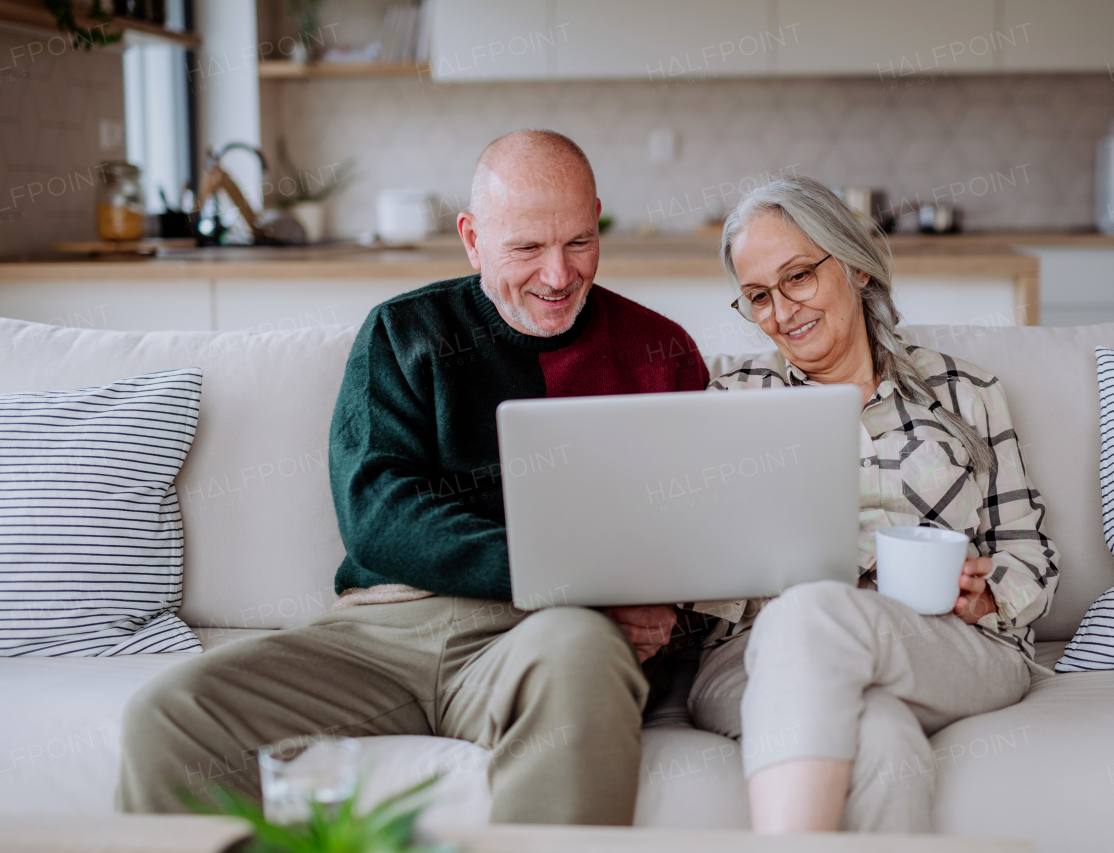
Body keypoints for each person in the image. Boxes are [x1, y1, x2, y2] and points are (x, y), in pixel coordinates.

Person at [117, 130, 709, 825]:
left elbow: (694, 532)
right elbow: (378, 513)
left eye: (579, 241)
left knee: (582, 654)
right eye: (526, 248)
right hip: (385, 632)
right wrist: (566, 571)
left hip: (554, 634)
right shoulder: (403, 332)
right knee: (167, 715)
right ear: (472, 237)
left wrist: (654, 612)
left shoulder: (658, 350)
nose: (558, 274)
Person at [685, 176, 1058, 833]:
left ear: (854, 264)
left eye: (797, 276)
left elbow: (1030, 552)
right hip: (753, 654)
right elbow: (690, 574)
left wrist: (988, 595)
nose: (781, 310)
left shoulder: (967, 391)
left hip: (947, 644)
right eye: (757, 297)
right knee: (880, 734)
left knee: (814, 614)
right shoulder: (727, 402)